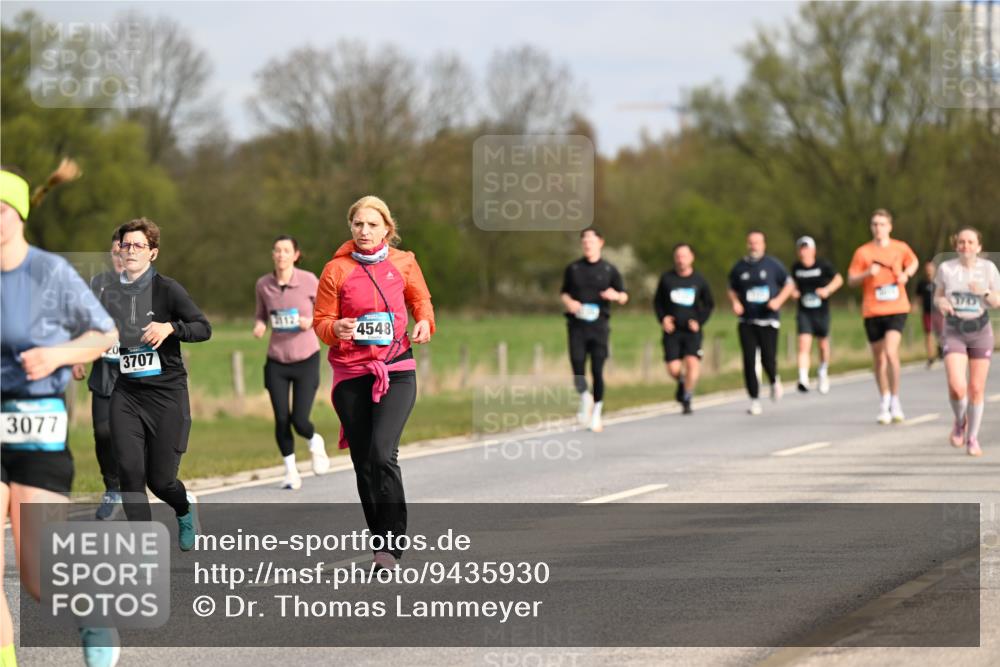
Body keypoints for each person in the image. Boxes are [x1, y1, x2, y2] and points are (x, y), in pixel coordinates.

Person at [1, 163, 120, 667]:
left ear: (20, 215)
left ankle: (92, 616)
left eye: (1, 209)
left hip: (35, 425)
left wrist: (58, 356)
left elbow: (105, 335)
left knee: (37, 574)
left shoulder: (49, 273)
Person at [313, 195, 434, 570]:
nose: (364, 231)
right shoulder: (335, 270)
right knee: (363, 461)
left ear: (387, 229)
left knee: (383, 454)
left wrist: (425, 321)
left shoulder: (404, 262)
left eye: (371, 225)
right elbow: (321, 321)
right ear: (351, 228)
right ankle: (380, 543)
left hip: (396, 368)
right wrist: (337, 328)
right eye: (357, 225)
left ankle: (394, 541)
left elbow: (421, 300)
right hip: (352, 373)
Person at [100, 218, 211, 549]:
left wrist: (171, 328)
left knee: (160, 481)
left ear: (153, 253)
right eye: (126, 245)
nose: (130, 250)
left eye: (138, 245)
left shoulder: (168, 289)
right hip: (127, 395)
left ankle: (184, 506)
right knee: (130, 474)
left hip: (166, 396)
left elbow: (203, 328)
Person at [254, 235, 330, 490]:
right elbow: (261, 314)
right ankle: (290, 471)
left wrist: (312, 321)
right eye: (277, 250)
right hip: (276, 360)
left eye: (286, 251)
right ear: (273, 254)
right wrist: (259, 326)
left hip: (306, 357)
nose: (281, 255)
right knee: (281, 418)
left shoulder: (309, 280)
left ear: (296, 254)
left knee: (299, 419)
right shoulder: (263, 284)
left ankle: (314, 441)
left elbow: (325, 312)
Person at [72, 226, 125, 520]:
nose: (120, 255)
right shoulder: (98, 283)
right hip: (104, 371)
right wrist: (79, 355)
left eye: (125, 249)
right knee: (102, 432)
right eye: (115, 250)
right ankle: (112, 487)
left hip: (136, 377)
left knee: (134, 436)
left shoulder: (146, 285)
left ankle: (141, 482)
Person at [848, 209, 919, 424]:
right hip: (872, 310)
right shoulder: (863, 252)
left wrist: (906, 274)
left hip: (897, 307)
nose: (878, 228)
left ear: (890, 227)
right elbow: (850, 279)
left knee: (890, 353)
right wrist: (866, 274)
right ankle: (884, 399)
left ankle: (896, 400)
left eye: (882, 224)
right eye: (875, 224)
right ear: (871, 228)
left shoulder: (900, 247)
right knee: (878, 359)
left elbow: (913, 262)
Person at [933, 228, 1000, 457]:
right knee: (956, 385)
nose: (965, 246)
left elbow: (997, 302)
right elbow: (938, 295)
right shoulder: (946, 269)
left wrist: (982, 291)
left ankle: (972, 437)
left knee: (976, 388)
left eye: (970, 242)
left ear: (979, 247)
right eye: (961, 242)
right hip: (954, 330)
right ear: (956, 246)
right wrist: (941, 303)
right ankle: (960, 421)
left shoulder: (988, 269)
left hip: (980, 331)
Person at [559, 227, 628, 432]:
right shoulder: (573, 269)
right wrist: (569, 302)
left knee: (597, 369)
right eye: (584, 241)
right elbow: (563, 293)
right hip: (577, 326)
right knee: (577, 366)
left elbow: (624, 296)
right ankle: (584, 397)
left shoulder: (609, 270)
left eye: (591, 240)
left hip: (599, 327)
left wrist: (615, 296)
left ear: (600, 243)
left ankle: (597, 413)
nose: (588, 244)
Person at [728, 230, 795, 415]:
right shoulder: (740, 267)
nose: (754, 246)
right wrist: (735, 302)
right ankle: (754, 399)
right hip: (747, 320)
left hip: (768, 320)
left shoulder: (773, 265)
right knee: (749, 360)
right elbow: (731, 288)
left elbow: (789, 284)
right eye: (751, 243)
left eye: (757, 243)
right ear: (747, 244)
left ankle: (774, 380)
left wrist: (778, 301)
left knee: (768, 358)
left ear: (763, 244)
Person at [652, 243, 714, 414]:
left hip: (691, 331)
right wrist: (663, 318)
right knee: (673, 369)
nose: (681, 259)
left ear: (691, 257)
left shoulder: (699, 280)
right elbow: (658, 303)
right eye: (678, 256)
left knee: (693, 363)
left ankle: (687, 396)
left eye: (684, 256)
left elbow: (709, 305)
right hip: (672, 331)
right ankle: (682, 382)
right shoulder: (667, 279)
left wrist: (699, 321)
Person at [790, 236, 843, 394]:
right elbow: (790, 284)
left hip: (821, 311)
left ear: (813, 250)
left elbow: (839, 279)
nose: (804, 251)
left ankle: (822, 372)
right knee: (803, 343)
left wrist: (827, 290)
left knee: (822, 344)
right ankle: (803, 378)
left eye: (806, 248)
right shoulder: (796, 268)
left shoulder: (823, 265)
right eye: (801, 248)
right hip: (804, 311)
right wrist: (793, 292)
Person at [916, 261, 943, 368]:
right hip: (927, 313)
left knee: (940, 334)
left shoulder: (939, 283)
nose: (928, 271)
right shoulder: (921, 284)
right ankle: (930, 357)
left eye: (930, 269)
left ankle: (941, 348)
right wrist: (915, 306)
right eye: (927, 269)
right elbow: (918, 298)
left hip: (938, 312)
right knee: (928, 335)